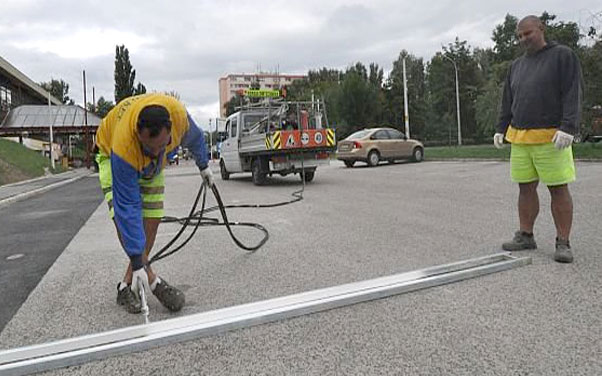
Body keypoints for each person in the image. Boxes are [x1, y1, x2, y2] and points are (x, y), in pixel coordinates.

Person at [95, 93, 214, 313]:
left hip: (153, 166)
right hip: (109, 155)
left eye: (164, 145)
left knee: (152, 218)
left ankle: (125, 285)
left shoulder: (179, 118)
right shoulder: (123, 148)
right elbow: (128, 209)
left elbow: (196, 139)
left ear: (171, 130)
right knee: (125, 221)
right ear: (138, 136)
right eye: (151, 148)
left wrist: (203, 165)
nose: (158, 151)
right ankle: (152, 280)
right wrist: (138, 261)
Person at [494, 15, 583, 263]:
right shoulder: (516, 66)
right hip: (520, 137)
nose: (523, 39)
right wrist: (501, 128)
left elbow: (572, 92)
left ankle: (563, 242)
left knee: (558, 188)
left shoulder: (562, 56)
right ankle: (526, 235)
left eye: (528, 33)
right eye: (520, 36)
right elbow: (508, 101)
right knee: (525, 188)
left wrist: (569, 127)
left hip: (551, 136)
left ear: (541, 28)